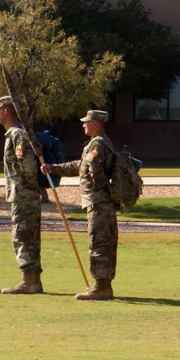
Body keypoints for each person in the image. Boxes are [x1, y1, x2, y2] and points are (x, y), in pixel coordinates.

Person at [42, 110, 119, 300]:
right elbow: (79, 166)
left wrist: (97, 189)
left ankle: (101, 287)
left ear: (96, 124)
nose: (83, 125)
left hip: (98, 203)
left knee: (99, 243)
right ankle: (103, 286)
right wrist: (54, 169)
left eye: (87, 122)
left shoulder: (98, 145)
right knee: (103, 242)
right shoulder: (97, 144)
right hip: (100, 202)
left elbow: (95, 171)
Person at [0, 96, 44, 294]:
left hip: (23, 195)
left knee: (23, 235)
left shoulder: (17, 135)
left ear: (7, 112)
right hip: (23, 194)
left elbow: (29, 165)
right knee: (28, 236)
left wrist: (31, 186)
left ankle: (29, 282)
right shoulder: (13, 135)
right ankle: (34, 282)